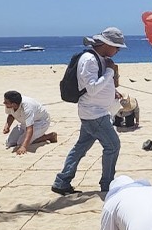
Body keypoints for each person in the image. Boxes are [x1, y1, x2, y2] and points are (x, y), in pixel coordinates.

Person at [51, 27, 125, 195]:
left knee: (81, 147)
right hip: (94, 113)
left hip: (93, 112)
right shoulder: (90, 59)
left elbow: (96, 84)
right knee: (113, 146)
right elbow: (92, 88)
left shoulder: (99, 58)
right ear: (107, 44)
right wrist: (110, 71)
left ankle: (62, 181)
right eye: (117, 47)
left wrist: (112, 91)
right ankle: (107, 185)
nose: (118, 51)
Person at [2, 90, 57, 155]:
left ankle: (49, 136)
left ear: (13, 104)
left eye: (6, 102)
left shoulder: (28, 107)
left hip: (40, 122)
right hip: (24, 122)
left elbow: (30, 128)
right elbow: (11, 114)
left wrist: (24, 147)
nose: (4, 103)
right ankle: (37, 136)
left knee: (21, 142)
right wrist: (7, 126)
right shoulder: (9, 105)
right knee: (9, 142)